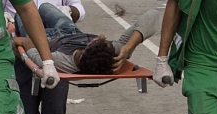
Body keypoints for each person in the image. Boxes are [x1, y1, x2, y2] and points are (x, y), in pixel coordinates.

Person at [13, 5, 161, 75]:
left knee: (23, 13)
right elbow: (153, 14)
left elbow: (26, 44)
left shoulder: (60, 61)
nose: (101, 35)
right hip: (69, 31)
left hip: (44, 39)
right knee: (44, 7)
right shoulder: (114, 52)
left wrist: (20, 40)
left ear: (84, 51)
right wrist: (129, 46)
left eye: (96, 40)